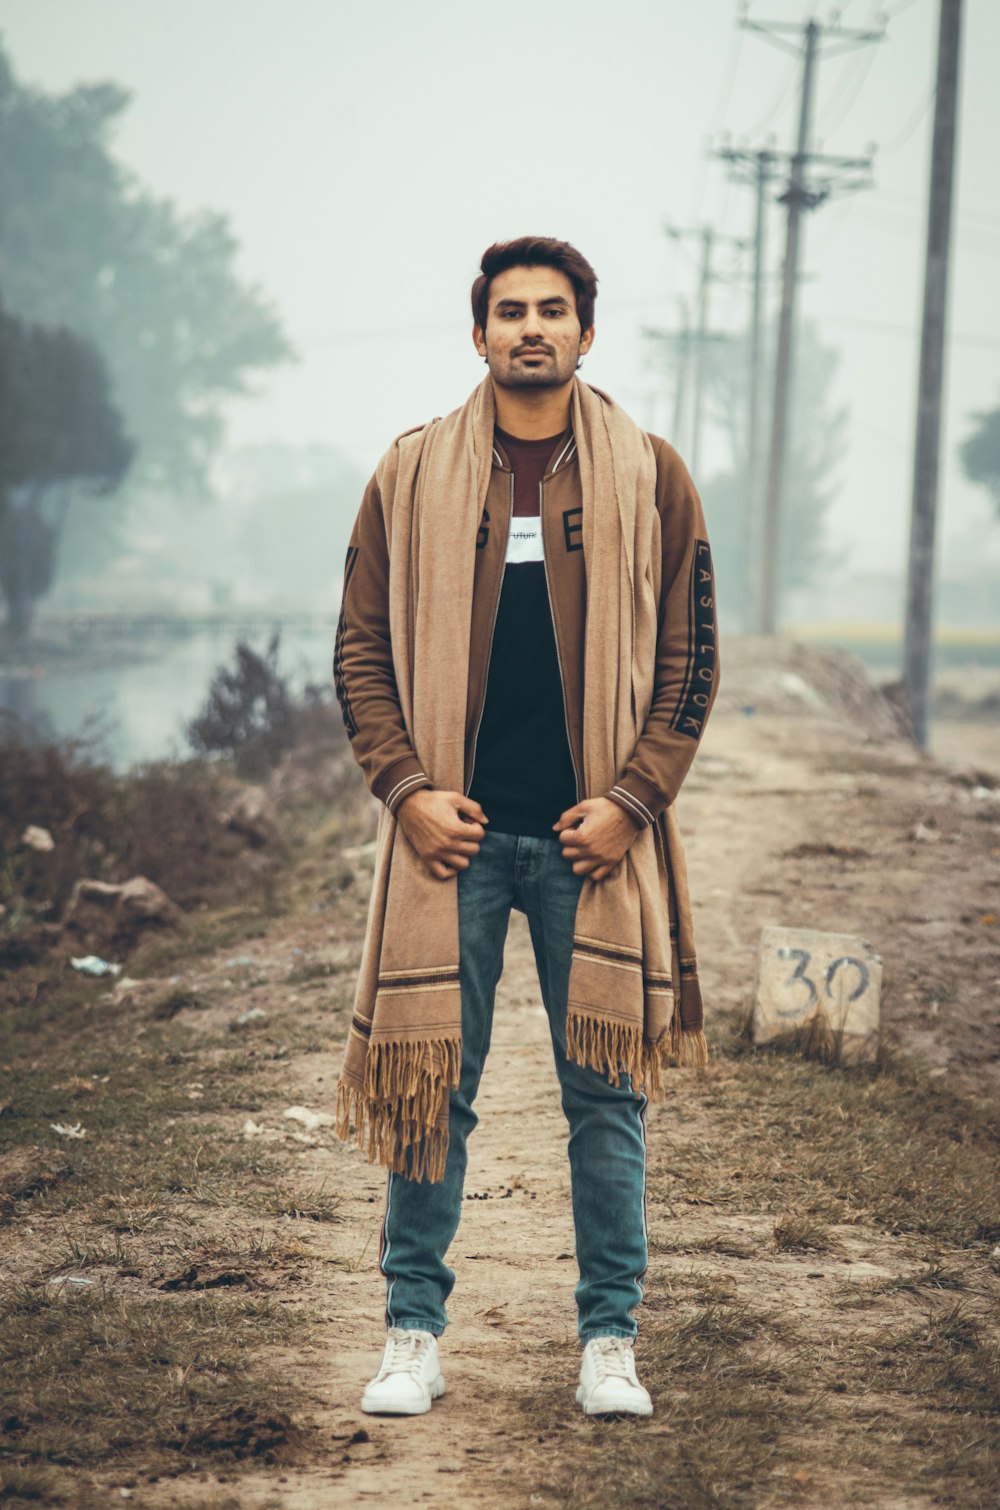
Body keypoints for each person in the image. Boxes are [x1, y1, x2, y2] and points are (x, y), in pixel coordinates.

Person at [333, 236, 718, 1419]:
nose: (532, 329)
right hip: (450, 839)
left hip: (588, 843)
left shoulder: (649, 475)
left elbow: (691, 663)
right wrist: (406, 793)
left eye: (554, 311)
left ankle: (610, 1340)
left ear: (588, 333)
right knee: (430, 1088)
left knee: (603, 1096)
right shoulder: (410, 473)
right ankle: (411, 1332)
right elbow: (359, 657)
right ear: (479, 334)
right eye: (511, 312)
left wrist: (629, 803)